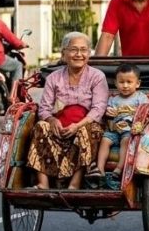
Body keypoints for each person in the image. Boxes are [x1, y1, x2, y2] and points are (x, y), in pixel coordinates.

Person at [26, 32, 109, 190]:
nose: (79, 54)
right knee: (40, 127)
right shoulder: (54, 78)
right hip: (60, 124)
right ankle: (42, 183)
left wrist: (77, 126)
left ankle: (75, 183)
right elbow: (44, 108)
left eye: (84, 50)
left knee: (87, 131)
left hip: (86, 124)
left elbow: (98, 109)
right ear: (64, 53)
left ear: (89, 53)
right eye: (74, 50)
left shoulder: (97, 77)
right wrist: (52, 120)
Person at [87, 63, 149, 182]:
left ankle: (119, 168)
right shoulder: (113, 99)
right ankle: (100, 169)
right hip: (114, 130)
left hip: (129, 131)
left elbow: (145, 113)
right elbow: (107, 114)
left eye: (129, 82)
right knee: (105, 140)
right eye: (121, 82)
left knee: (126, 141)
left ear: (137, 83)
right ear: (116, 83)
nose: (125, 86)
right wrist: (108, 113)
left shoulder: (140, 98)